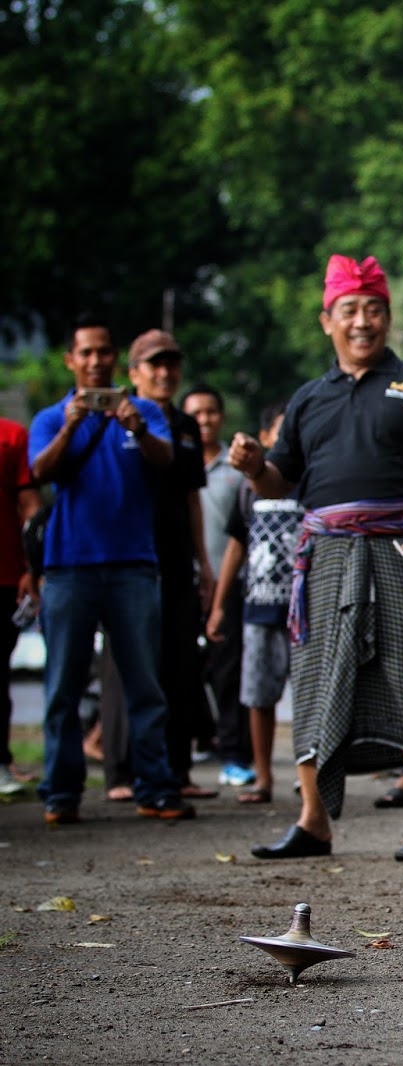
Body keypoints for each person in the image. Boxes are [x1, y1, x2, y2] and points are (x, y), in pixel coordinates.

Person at [228, 254, 403, 861]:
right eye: (350, 310)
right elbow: (281, 480)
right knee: (314, 681)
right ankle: (313, 822)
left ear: (387, 318)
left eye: (374, 310)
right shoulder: (308, 398)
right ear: (327, 321)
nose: (363, 321)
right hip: (324, 556)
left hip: (401, 549)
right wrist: (255, 467)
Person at [28, 315, 193, 824]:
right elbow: (40, 472)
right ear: (71, 361)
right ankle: (61, 793)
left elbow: (167, 462)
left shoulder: (144, 412)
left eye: (104, 352)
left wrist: (136, 427)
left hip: (134, 566)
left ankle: (155, 787)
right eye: (86, 353)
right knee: (62, 687)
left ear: (116, 358)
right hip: (69, 566)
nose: (96, 361)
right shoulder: (51, 418)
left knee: (145, 684)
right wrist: (73, 424)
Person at [121, 330, 217, 799]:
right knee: (132, 665)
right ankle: (123, 772)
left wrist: (204, 562)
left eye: (171, 364)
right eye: (154, 364)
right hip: (128, 558)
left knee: (181, 665)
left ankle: (176, 772)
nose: (165, 373)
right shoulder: (115, 420)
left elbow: (192, 497)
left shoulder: (185, 425)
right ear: (134, 372)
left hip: (176, 557)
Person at [207, 400, 299, 805]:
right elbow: (235, 548)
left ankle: (309, 777)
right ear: (263, 438)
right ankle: (263, 777)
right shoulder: (248, 488)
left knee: (309, 698)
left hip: (304, 613)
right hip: (259, 608)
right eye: (281, 431)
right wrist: (219, 605)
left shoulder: (312, 483)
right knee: (259, 696)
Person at [184, 384, 253, 789]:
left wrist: (221, 594)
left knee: (229, 675)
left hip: (230, 587)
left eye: (211, 411)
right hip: (183, 584)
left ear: (222, 417)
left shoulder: (236, 470)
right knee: (181, 673)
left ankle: (234, 756)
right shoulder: (174, 461)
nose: (204, 420)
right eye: (195, 413)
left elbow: (238, 537)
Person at [0, 416, 40, 796]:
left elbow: (30, 506)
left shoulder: (12, 436)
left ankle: (0, 764)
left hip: (5, 574)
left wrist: (32, 567)